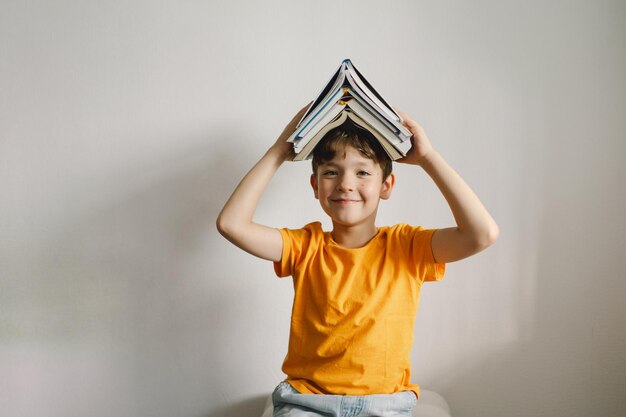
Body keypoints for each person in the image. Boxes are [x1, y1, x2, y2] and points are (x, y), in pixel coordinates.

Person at [216, 104, 499, 417]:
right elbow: (232, 224)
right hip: (307, 403)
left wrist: (428, 159)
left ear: (386, 186)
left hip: (386, 405)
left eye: (363, 172)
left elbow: (482, 234)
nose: (345, 184)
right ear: (315, 186)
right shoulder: (304, 246)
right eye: (331, 172)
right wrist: (278, 151)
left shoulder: (408, 246)